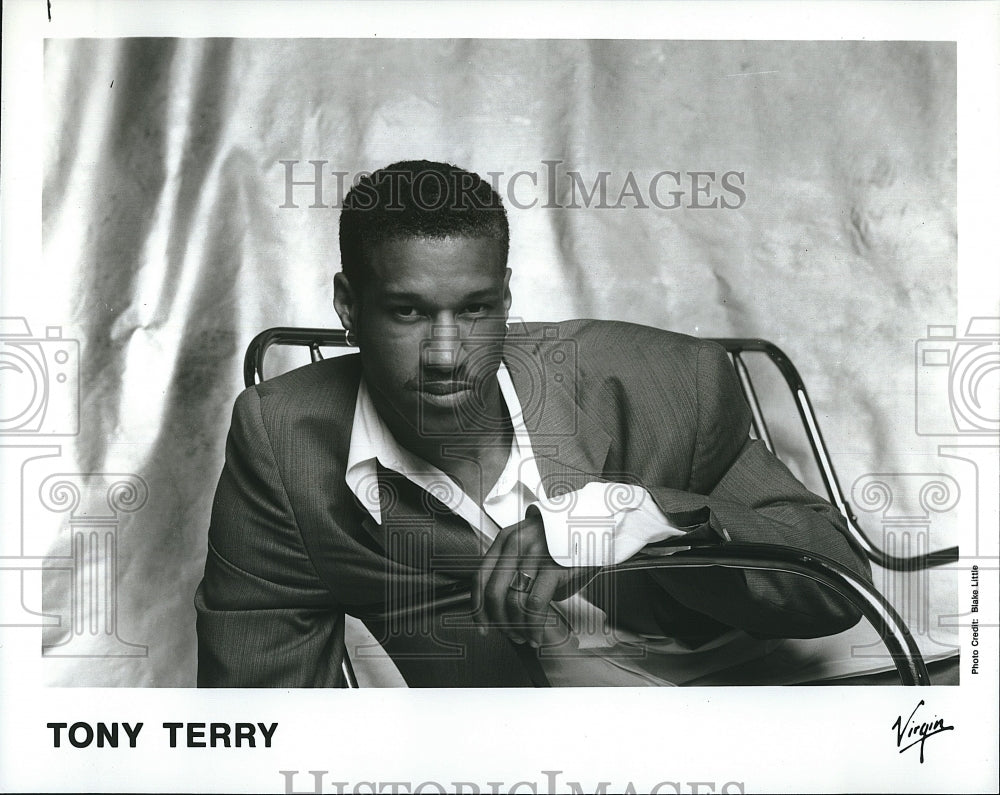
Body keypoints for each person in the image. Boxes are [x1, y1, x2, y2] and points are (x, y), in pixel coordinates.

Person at [195, 160, 872, 687]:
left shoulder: (665, 382)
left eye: (475, 309)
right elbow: (259, 701)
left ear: (507, 296)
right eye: (406, 312)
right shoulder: (283, 441)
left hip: (753, 703)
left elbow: (836, 587)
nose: (444, 353)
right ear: (348, 305)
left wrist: (628, 516)